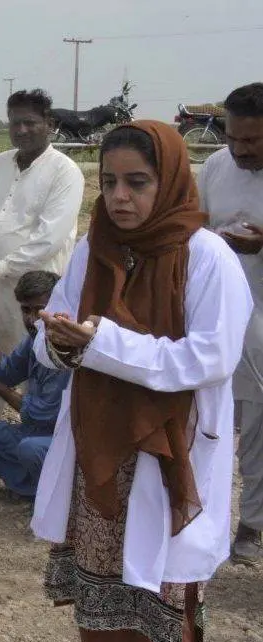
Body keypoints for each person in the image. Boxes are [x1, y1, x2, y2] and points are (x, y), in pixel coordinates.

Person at [33, 122, 250, 642]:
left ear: (171, 180)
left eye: (137, 182)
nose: (120, 197)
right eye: (110, 182)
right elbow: (56, 331)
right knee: (98, 578)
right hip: (100, 449)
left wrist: (100, 344)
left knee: (164, 589)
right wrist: (60, 343)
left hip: (168, 451)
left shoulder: (205, 255)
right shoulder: (90, 247)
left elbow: (209, 357)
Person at [0, 89, 84, 420]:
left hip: (36, 296)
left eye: (30, 123)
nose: (21, 131)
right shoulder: (0, 164)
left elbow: (49, 238)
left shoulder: (65, 172)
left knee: (37, 365)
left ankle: (32, 444)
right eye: (15, 123)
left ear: (50, 123)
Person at [196, 82, 263, 565]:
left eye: (253, 142)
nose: (240, 149)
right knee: (212, 420)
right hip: (220, 318)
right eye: (234, 138)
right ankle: (203, 515)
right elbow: (196, 223)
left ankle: (252, 525)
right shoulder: (217, 166)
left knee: (257, 427)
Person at [0, 270, 69, 498]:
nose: (31, 318)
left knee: (30, 450)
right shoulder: (35, 339)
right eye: (25, 310)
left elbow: (39, 415)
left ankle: (58, 501)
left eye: (39, 310)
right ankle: (32, 483)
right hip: (30, 433)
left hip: (62, 441)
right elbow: (4, 372)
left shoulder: (68, 351)